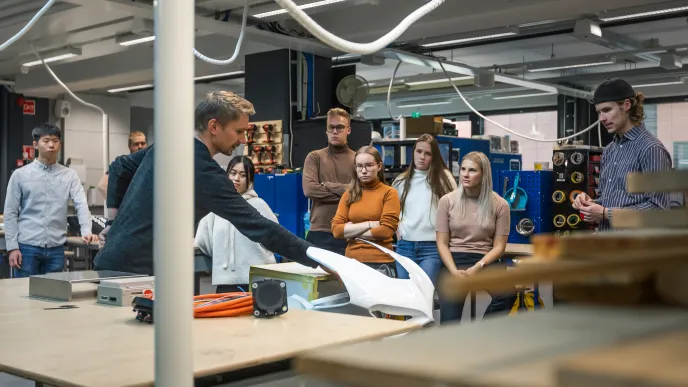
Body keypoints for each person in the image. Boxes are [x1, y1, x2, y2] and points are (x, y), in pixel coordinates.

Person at [94, 91, 323, 275]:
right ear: (214, 127)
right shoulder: (203, 169)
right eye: (239, 131)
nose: (243, 140)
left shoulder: (169, 145)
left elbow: (119, 168)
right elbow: (258, 225)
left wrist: (112, 222)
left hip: (113, 261)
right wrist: (320, 258)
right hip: (134, 274)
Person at [573, 78, 672, 230]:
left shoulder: (651, 149)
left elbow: (658, 210)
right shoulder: (610, 150)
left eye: (607, 110)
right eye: (599, 112)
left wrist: (606, 213)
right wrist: (591, 203)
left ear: (626, 105)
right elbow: (610, 201)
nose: (602, 118)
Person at [3, 123, 99, 278]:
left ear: (60, 144)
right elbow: (10, 212)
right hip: (27, 247)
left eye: (55, 141)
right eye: (46, 140)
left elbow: (81, 204)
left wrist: (86, 230)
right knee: (22, 295)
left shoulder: (70, 175)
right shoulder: (20, 175)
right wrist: (12, 247)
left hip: (56, 248)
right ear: (35, 144)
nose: (51, 145)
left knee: (52, 297)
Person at [435, 151, 514, 323]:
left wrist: (478, 266)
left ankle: (482, 333)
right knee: (450, 321)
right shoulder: (447, 201)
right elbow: (441, 243)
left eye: (472, 170)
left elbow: (499, 247)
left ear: (484, 174)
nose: (465, 174)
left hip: (485, 261)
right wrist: (454, 271)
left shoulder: (500, 205)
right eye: (463, 169)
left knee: (507, 294)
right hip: (453, 260)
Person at [195, 156, 278, 293]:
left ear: (250, 180)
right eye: (233, 173)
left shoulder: (260, 206)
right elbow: (202, 241)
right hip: (225, 282)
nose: (236, 178)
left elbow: (275, 239)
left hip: (258, 281)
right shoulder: (216, 208)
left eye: (243, 175)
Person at [392, 134, 456, 285]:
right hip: (405, 246)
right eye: (418, 151)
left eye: (427, 153)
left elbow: (455, 211)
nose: (422, 157)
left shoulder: (444, 179)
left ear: (434, 157)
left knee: (424, 292)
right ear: (413, 152)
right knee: (405, 296)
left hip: (432, 247)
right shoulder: (401, 180)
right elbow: (392, 210)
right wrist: (397, 229)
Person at [331, 146, 400, 277]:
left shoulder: (389, 193)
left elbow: (385, 231)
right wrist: (369, 224)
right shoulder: (349, 194)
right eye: (359, 166)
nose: (363, 171)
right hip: (352, 261)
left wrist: (351, 232)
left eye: (369, 165)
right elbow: (336, 230)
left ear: (379, 166)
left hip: (381, 262)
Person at [302, 108, 355, 256]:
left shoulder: (358, 159)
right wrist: (346, 192)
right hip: (319, 232)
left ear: (348, 130)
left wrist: (328, 185)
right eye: (331, 127)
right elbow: (310, 190)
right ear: (326, 130)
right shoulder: (315, 157)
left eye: (340, 127)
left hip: (348, 231)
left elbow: (360, 193)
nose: (335, 131)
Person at [97, 131, 148, 199]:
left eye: (143, 143)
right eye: (136, 144)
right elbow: (102, 186)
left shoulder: (149, 164)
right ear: (129, 146)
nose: (140, 146)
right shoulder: (122, 164)